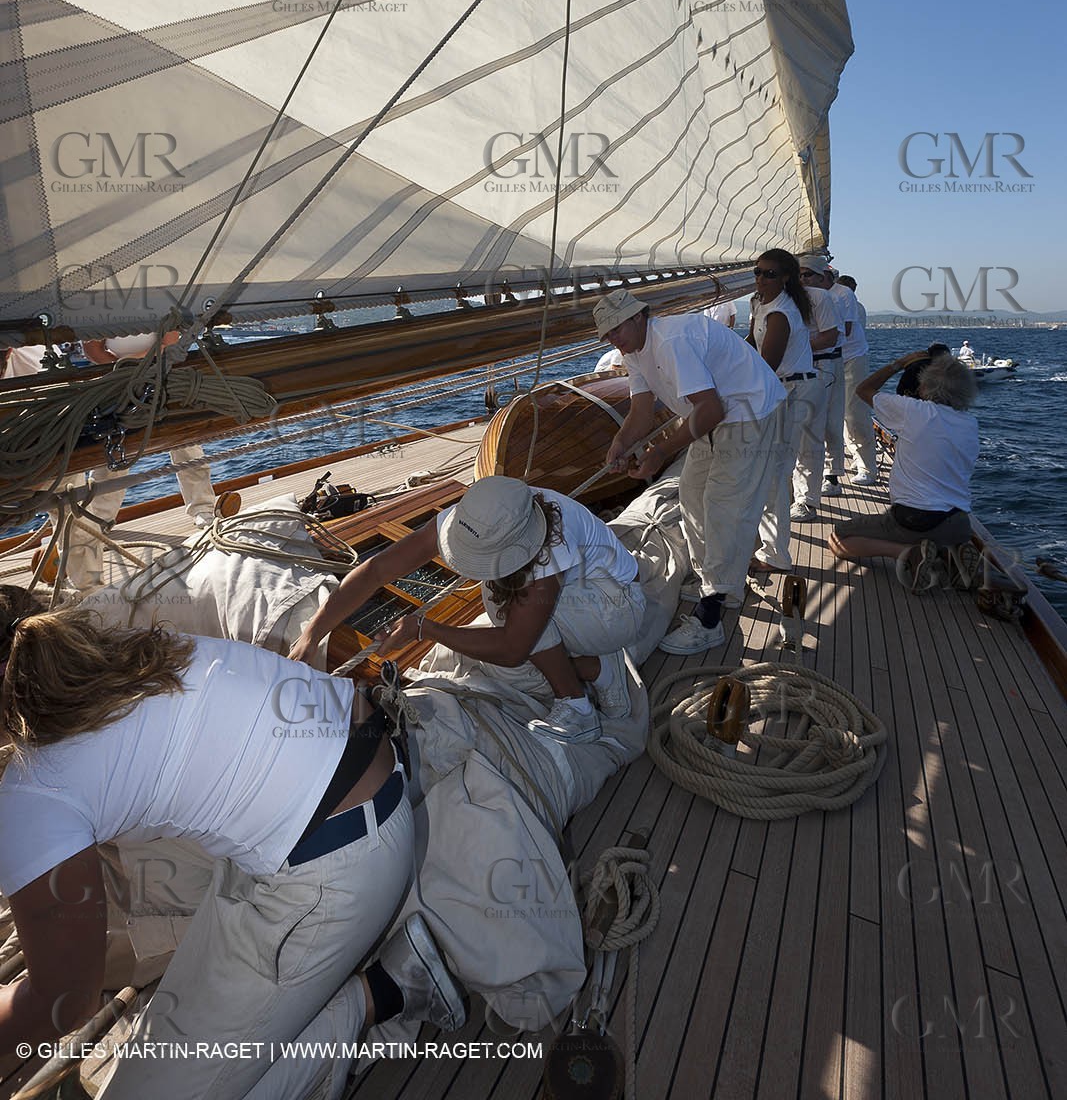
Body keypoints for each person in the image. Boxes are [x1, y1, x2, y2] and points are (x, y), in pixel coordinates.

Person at [0, 587, 464, 1100]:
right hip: (355, 795)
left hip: (334, 869)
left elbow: (67, 1002)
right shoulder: (123, 658)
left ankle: (384, 991)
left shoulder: (30, 793)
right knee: (175, 1033)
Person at [291, 476, 645, 745]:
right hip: (584, 599)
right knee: (504, 611)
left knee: (504, 607)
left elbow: (513, 649)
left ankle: (578, 707)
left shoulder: (549, 546)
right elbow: (377, 570)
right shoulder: (484, 518)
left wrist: (424, 629)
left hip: (617, 608)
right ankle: (597, 669)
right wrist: (312, 634)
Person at [593, 290, 785, 655]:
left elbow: (710, 409)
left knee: (724, 507)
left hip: (749, 412)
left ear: (639, 317)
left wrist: (659, 452)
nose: (613, 338)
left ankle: (711, 616)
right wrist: (621, 443)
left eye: (617, 328)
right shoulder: (634, 351)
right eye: (607, 334)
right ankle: (717, 583)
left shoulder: (671, 340)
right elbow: (641, 411)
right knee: (692, 496)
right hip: (715, 416)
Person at [828, 352, 979, 574]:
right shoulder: (970, 424)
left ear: (925, 387)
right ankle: (947, 554)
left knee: (838, 539)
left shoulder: (912, 410)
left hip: (913, 518)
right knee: (943, 534)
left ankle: (908, 553)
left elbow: (864, 390)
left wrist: (897, 364)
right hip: (958, 523)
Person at [745, 251, 818, 574]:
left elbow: (766, 365)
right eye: (757, 272)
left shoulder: (781, 313)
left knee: (774, 473)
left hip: (791, 392)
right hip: (779, 388)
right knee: (772, 470)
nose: (761, 278)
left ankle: (775, 555)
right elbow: (752, 343)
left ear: (786, 277)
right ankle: (769, 544)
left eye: (770, 274)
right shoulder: (759, 303)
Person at [790, 254, 842, 521]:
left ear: (823, 278)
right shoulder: (771, 299)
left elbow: (831, 337)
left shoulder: (822, 299)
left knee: (812, 433)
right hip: (784, 373)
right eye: (798, 274)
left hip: (820, 368)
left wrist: (791, 347)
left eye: (808, 274)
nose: (802, 279)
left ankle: (807, 499)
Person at [834, 275, 878, 485]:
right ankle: (853, 456)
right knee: (843, 414)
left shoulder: (855, 308)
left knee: (854, 414)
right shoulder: (854, 306)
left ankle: (866, 467)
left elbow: (843, 333)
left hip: (850, 359)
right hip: (832, 361)